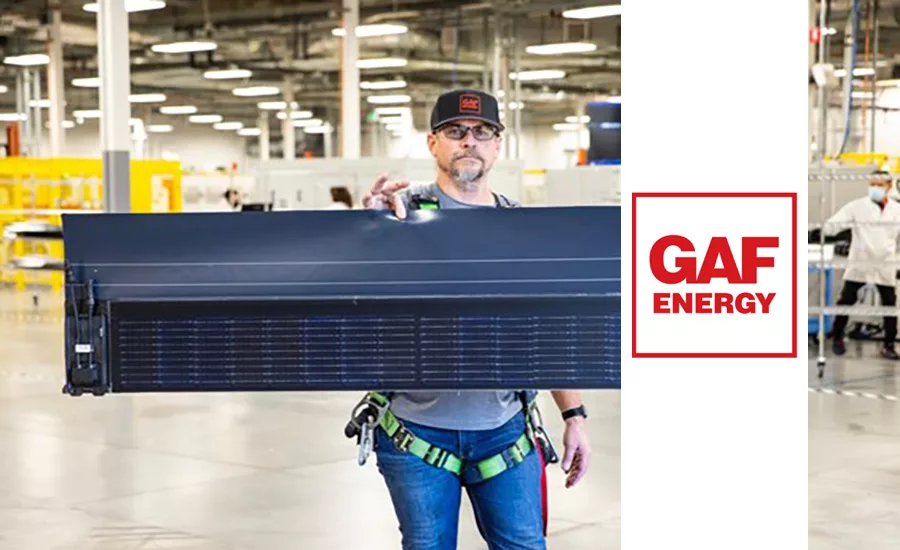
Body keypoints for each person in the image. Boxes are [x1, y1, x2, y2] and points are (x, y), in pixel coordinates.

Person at [359, 89, 592, 550]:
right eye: (455, 132)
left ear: (497, 146)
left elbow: (546, 330)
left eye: (482, 132)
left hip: (505, 432)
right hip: (415, 434)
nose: (469, 141)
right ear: (433, 144)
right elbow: (349, 284)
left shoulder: (522, 229)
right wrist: (367, 231)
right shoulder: (400, 215)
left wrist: (575, 415)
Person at [818, 169, 900, 359]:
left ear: (888, 187)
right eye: (872, 184)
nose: (875, 188)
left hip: (885, 263)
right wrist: (819, 232)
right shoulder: (857, 206)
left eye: (880, 185)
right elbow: (835, 223)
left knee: (889, 305)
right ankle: (837, 335)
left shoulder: (896, 210)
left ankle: (889, 345)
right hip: (860, 262)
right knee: (847, 299)